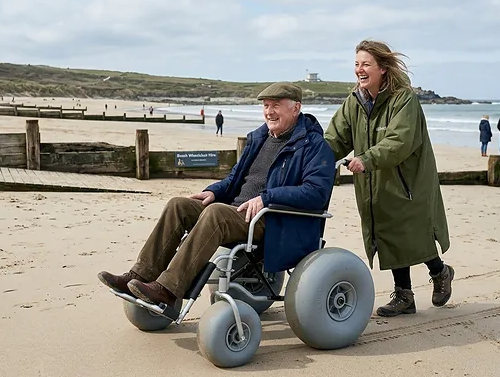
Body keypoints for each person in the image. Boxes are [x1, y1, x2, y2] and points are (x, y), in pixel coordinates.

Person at [98, 82, 336, 307]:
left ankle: (168, 290)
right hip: (238, 211)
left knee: (216, 214)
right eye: (265, 106)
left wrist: (268, 197)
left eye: (276, 105)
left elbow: (315, 193)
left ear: (296, 108)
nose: (269, 112)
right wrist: (213, 191)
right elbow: (235, 178)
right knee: (178, 205)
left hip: (274, 219)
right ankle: (139, 275)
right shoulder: (259, 138)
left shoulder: (315, 146)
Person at [324, 39, 454, 317]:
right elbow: (335, 137)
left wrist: (365, 159)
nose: (359, 69)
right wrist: (312, 158)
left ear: (382, 68)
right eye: (357, 64)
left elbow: (400, 140)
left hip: (406, 180)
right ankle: (404, 295)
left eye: (366, 64)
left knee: (410, 232)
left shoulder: (403, 99)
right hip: (374, 181)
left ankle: (440, 271)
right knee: (386, 231)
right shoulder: (354, 102)